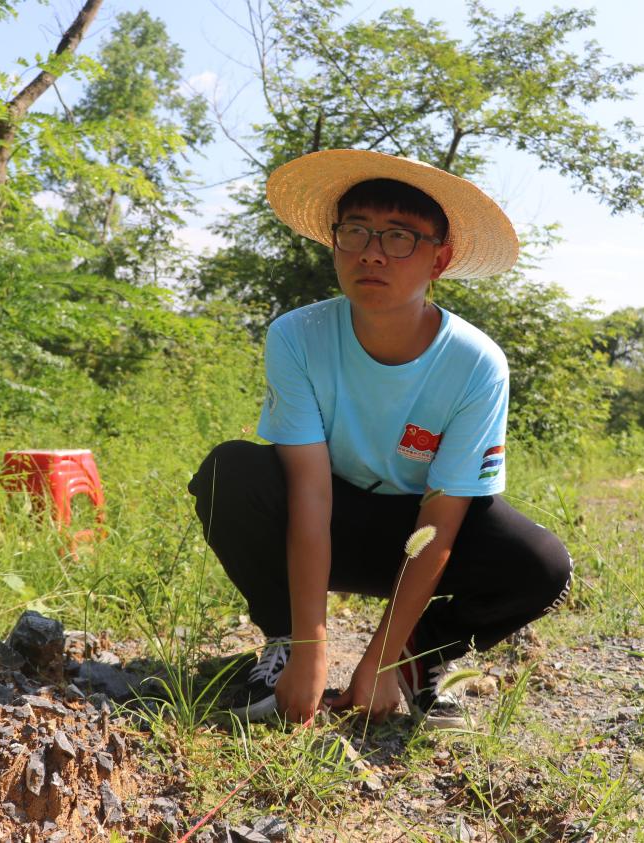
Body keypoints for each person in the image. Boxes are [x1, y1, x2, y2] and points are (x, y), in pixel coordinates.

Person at [188, 149, 572, 728]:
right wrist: (314, 648)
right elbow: (310, 496)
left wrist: (382, 658)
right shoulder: (299, 336)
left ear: (439, 259)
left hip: (418, 530)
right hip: (328, 516)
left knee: (538, 563)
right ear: (334, 241)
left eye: (399, 237)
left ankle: (420, 661)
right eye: (356, 231)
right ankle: (285, 644)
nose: (371, 251)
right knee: (231, 473)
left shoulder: (475, 364)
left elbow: (439, 523)